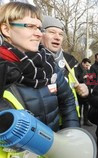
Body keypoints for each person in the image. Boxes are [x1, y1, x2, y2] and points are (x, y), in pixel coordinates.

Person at [0, 2, 79, 157]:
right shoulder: (3, 70)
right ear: (6, 29)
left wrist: (71, 135)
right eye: (30, 26)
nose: (39, 33)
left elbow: (68, 100)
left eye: (39, 28)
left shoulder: (49, 64)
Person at [41, 15, 89, 117]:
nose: (57, 37)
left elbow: (74, 92)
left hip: (70, 121)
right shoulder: (31, 62)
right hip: (46, 126)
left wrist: (85, 93)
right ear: (40, 34)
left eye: (61, 34)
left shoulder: (69, 62)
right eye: (52, 32)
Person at [75, 58, 93, 126]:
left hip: (87, 92)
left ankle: (86, 120)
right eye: (86, 65)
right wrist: (83, 77)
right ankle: (78, 121)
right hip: (80, 92)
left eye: (88, 65)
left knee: (86, 107)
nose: (87, 67)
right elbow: (75, 80)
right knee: (79, 108)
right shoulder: (76, 69)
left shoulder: (87, 69)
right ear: (83, 63)